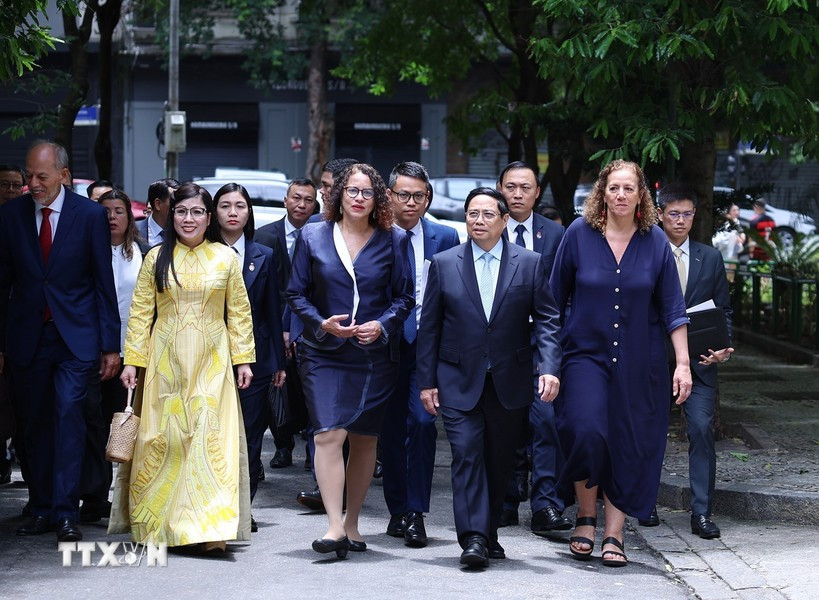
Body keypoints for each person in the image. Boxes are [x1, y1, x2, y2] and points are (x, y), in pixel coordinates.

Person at [549, 160, 692, 567]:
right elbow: (552, 302)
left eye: (629, 188)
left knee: (627, 443)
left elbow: (673, 308)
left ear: (641, 194)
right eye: (614, 188)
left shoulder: (655, 240)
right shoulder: (579, 234)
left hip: (640, 360)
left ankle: (614, 532)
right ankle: (585, 514)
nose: (621, 195)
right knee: (586, 432)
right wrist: (547, 360)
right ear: (602, 192)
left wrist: (683, 364)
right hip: (583, 356)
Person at [417, 187, 562, 568]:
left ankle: (489, 532)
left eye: (486, 214)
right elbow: (429, 327)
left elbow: (547, 320)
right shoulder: (444, 263)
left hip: (509, 379)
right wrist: (426, 382)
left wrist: (549, 367)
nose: (478, 221)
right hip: (456, 378)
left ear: (504, 220)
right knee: (466, 454)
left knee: (499, 461)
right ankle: (474, 537)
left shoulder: (529, 263)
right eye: (472, 214)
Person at [109, 183, 255, 552]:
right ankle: (159, 527)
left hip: (212, 363)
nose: (188, 219)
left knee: (209, 442)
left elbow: (239, 313)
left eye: (197, 212)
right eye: (181, 212)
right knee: (164, 441)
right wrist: (133, 362)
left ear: (209, 218)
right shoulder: (156, 258)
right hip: (164, 363)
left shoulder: (225, 258)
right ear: (171, 215)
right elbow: (140, 314)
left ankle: (210, 530)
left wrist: (243, 359)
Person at [287, 163, 414, 557]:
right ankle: (333, 526)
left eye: (367, 192)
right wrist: (320, 322)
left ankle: (353, 523)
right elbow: (295, 293)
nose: (359, 198)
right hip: (323, 353)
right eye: (352, 190)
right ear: (338, 194)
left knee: (363, 438)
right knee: (327, 433)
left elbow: (405, 298)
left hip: (373, 356)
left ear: (378, 199)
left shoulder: (394, 239)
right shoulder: (312, 235)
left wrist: (381, 325)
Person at [0, 141, 121, 542]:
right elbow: (2, 283)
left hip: (76, 338)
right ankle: (42, 507)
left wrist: (110, 345)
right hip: (27, 337)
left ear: (64, 176)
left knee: (69, 417)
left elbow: (103, 282)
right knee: (33, 424)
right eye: (29, 175)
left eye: (42, 176)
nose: (32, 184)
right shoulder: (11, 215)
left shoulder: (89, 216)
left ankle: (67, 512)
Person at [381, 161, 460, 547]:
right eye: (404, 195)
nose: (411, 203)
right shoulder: (375, 234)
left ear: (428, 198)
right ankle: (397, 508)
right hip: (382, 347)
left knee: (423, 424)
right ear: (390, 196)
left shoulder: (445, 237)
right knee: (390, 430)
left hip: (427, 349)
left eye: (419, 196)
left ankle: (415, 511)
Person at [496, 161, 570, 535]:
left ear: (537, 193)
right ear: (500, 189)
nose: (518, 194)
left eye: (526, 187)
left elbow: (566, 291)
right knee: (507, 421)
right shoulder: (488, 228)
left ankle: (545, 505)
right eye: (511, 187)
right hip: (502, 341)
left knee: (545, 420)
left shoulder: (556, 234)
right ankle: (507, 501)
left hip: (544, 341)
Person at [657, 183, 733, 539]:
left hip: (701, 360)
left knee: (701, 430)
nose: (681, 220)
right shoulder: (647, 252)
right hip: (655, 360)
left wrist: (724, 347)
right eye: (674, 213)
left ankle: (701, 513)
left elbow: (723, 309)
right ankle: (644, 503)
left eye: (687, 214)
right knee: (649, 432)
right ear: (660, 214)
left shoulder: (710, 257)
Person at [210, 182, 286, 531]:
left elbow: (273, 311)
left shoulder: (263, 254)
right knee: (214, 433)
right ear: (215, 212)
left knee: (250, 435)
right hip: (209, 355)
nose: (232, 212)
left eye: (240, 206)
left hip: (254, 358)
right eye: (225, 206)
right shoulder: (203, 252)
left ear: (249, 213)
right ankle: (212, 505)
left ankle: (244, 507)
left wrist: (277, 362)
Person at [79, 189, 145, 523]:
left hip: (131, 351)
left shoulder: (143, 252)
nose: (111, 217)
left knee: (125, 423)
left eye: (119, 211)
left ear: (129, 217)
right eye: (105, 211)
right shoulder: (84, 249)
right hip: (92, 348)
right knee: (93, 421)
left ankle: (130, 497)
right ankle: (94, 495)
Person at [255, 178, 318, 472]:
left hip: (311, 324)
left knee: (309, 388)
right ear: (285, 200)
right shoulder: (265, 236)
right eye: (296, 198)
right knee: (276, 386)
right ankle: (283, 446)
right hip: (273, 322)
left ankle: (313, 450)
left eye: (308, 200)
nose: (301, 204)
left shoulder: (324, 235)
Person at [135, 177, 180, 249]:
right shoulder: (133, 231)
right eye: (174, 201)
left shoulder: (184, 231)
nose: (179, 206)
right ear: (158, 204)